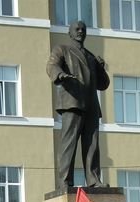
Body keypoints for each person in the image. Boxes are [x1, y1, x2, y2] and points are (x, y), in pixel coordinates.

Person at [46, 20, 110, 189]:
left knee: (92, 145)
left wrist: (101, 68)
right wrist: (60, 75)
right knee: (69, 143)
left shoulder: (91, 57)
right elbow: (52, 65)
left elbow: (103, 84)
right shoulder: (62, 50)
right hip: (72, 102)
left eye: (83, 29)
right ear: (70, 33)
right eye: (77, 29)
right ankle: (65, 181)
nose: (80, 31)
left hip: (91, 106)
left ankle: (94, 179)